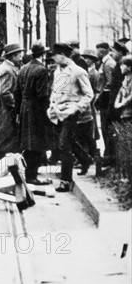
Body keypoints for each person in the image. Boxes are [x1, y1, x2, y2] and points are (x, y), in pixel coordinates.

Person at [47, 43, 94, 192]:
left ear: (62, 55)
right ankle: (85, 160)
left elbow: (89, 94)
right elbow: (56, 91)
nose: (53, 59)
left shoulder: (78, 71)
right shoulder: (58, 71)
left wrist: (77, 108)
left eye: (55, 56)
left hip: (71, 112)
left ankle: (66, 180)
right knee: (69, 140)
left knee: (63, 144)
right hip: (57, 112)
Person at [14, 42, 52, 184]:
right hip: (36, 108)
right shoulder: (41, 70)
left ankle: (28, 173)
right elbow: (42, 95)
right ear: (42, 54)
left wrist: (18, 112)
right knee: (37, 141)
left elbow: (16, 92)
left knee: (28, 142)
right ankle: (32, 176)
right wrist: (47, 113)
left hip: (25, 107)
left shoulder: (23, 69)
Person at [0, 43, 24, 169]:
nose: (21, 58)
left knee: (5, 142)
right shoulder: (7, 70)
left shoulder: (8, 68)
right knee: (0, 141)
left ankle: (4, 168)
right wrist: (17, 106)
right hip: (5, 112)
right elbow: (5, 92)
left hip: (6, 112)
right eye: (19, 55)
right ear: (12, 56)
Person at [95, 42, 116, 165]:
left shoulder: (108, 64)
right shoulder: (106, 63)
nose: (96, 53)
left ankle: (108, 156)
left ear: (102, 52)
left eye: (97, 51)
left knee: (105, 127)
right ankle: (108, 155)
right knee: (104, 128)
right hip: (105, 99)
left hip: (106, 100)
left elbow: (109, 82)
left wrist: (99, 95)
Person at [114, 55, 132, 123]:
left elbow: (131, 96)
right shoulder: (125, 79)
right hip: (124, 112)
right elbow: (120, 92)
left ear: (129, 68)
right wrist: (116, 102)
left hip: (129, 112)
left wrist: (121, 104)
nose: (121, 67)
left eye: (123, 65)